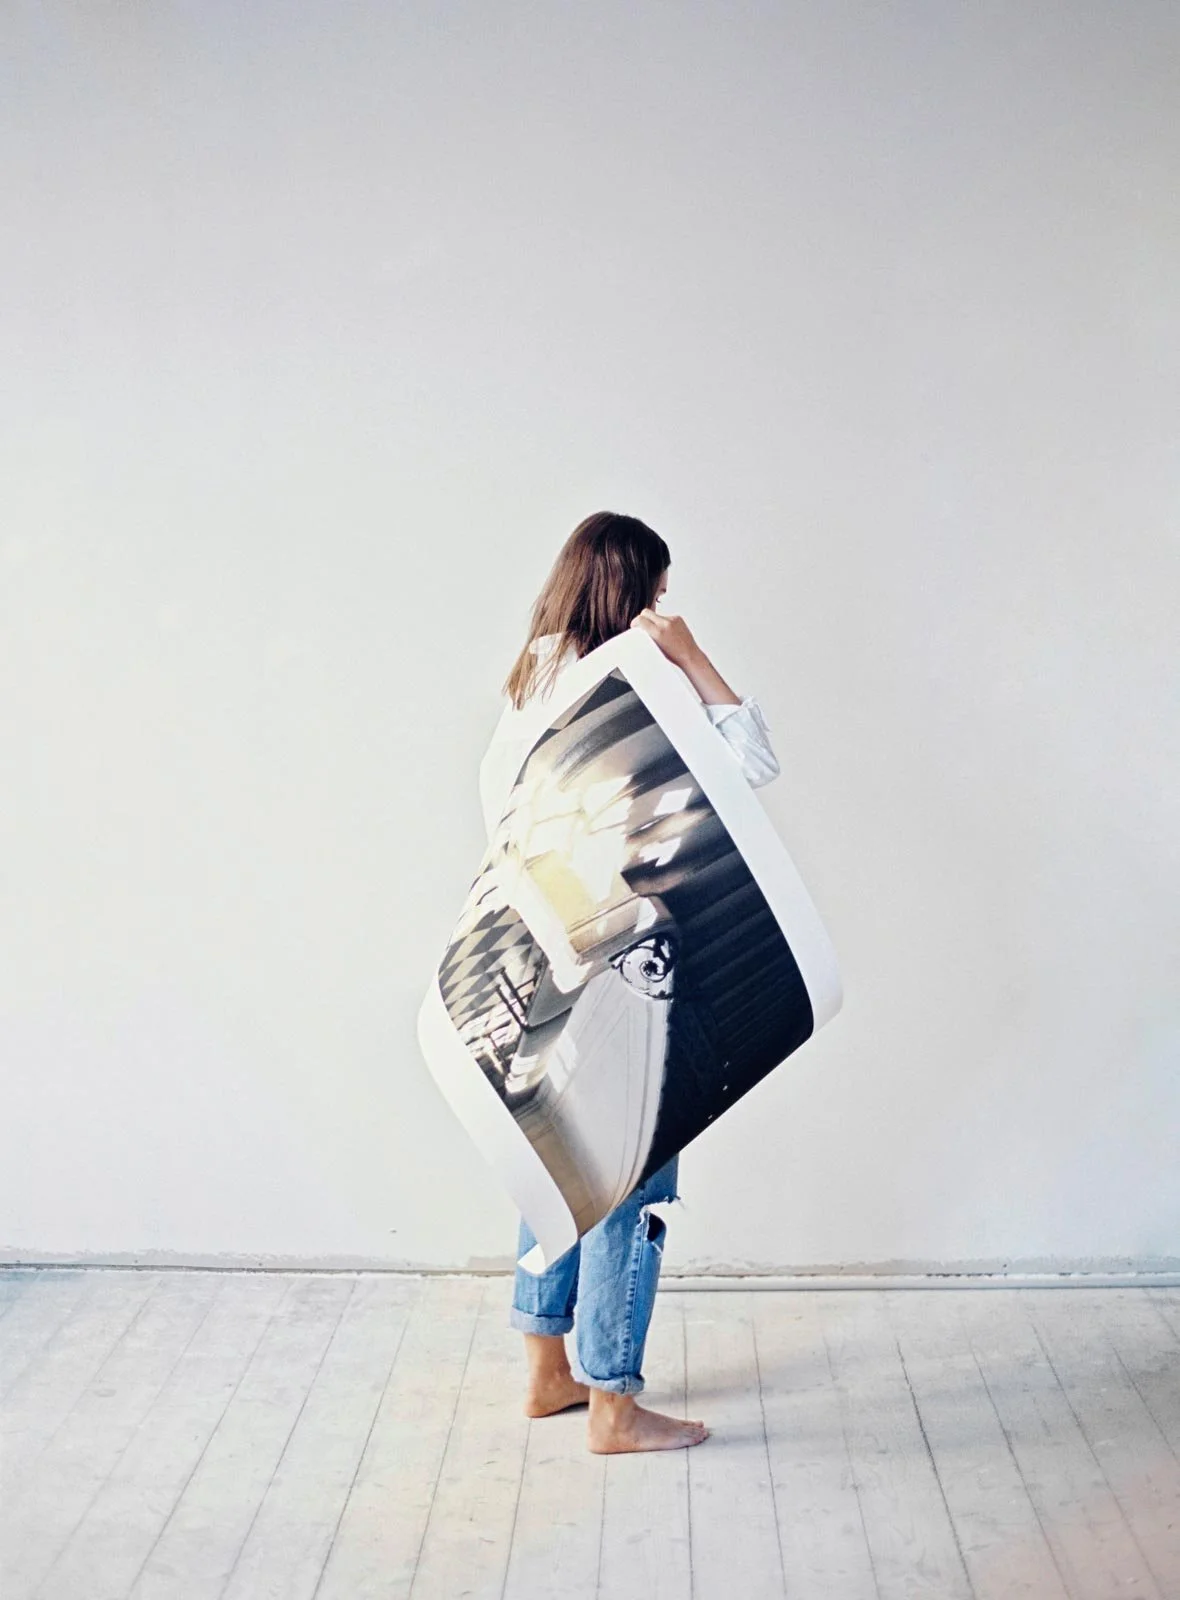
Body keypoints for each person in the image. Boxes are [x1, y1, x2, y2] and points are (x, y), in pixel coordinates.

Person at [478, 511, 781, 1454]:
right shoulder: (643, 678)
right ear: (638, 587)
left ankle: (546, 1372)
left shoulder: (533, 676)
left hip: (544, 958)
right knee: (635, 1178)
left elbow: (503, 811)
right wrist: (692, 655)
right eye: (658, 587)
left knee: (554, 1160)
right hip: (632, 965)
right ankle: (613, 1402)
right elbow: (755, 762)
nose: (663, 603)